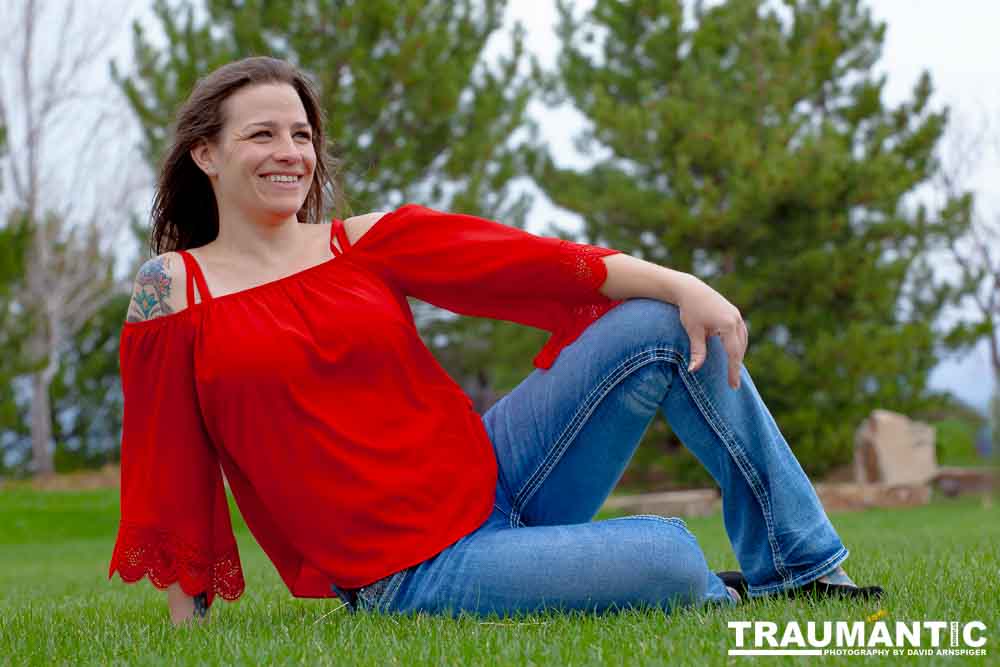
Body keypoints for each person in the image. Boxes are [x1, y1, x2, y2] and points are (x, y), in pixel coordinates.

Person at [111, 56, 882, 626]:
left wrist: (686, 285)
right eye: (262, 134)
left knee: (660, 321)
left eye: (301, 134)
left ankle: (802, 568)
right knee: (674, 556)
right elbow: (170, 465)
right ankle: (660, 580)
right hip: (411, 570)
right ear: (206, 154)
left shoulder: (362, 243)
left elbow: (529, 260)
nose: (290, 152)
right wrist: (189, 627)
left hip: (497, 469)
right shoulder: (173, 291)